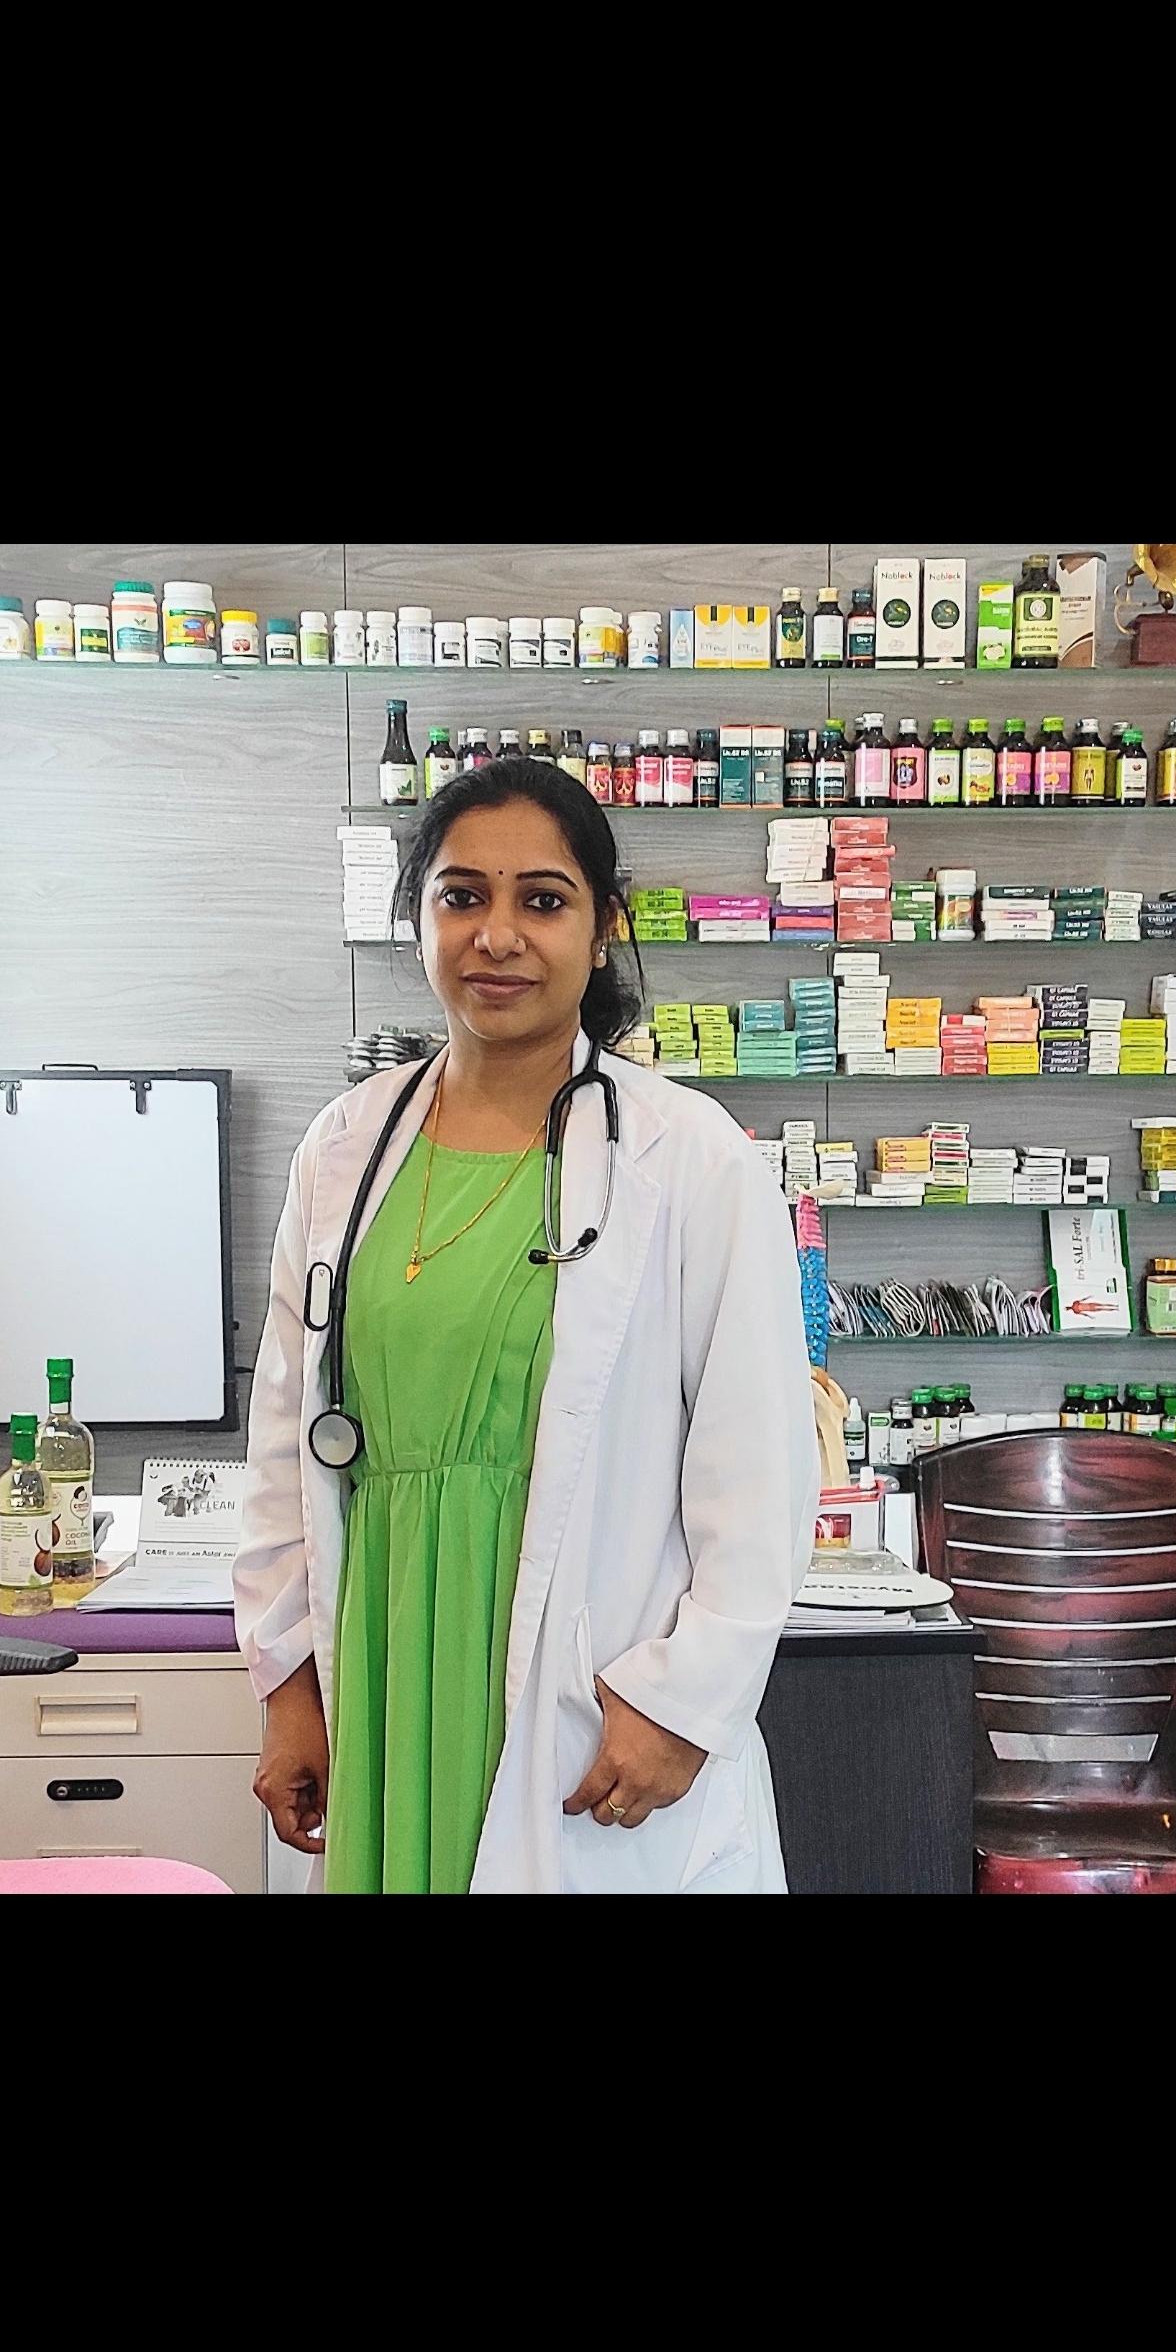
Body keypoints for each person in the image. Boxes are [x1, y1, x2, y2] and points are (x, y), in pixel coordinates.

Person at [233, 756, 820, 1894]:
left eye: (542, 901)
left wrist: (684, 1701)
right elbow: (283, 1441)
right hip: (384, 1660)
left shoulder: (690, 1158)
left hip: (590, 1693)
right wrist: (289, 1684)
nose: (496, 935)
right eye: (462, 896)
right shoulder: (343, 1148)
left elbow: (760, 1472)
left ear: (603, 931)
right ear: (418, 919)